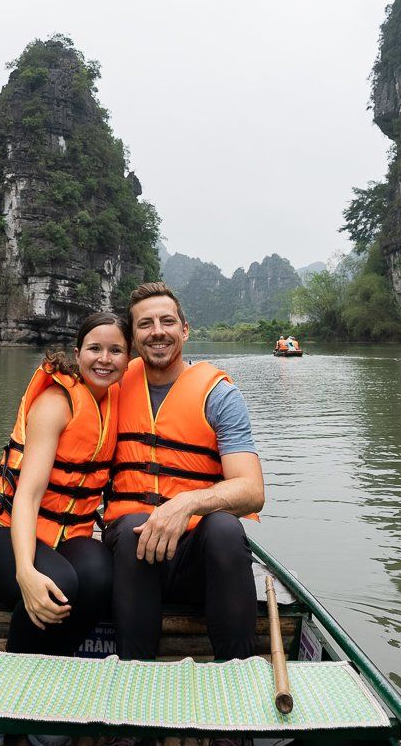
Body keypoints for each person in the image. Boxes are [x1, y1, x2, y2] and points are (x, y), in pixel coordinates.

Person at [103, 282, 266, 662]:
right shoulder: (110, 385)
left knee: (225, 529)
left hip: (197, 561)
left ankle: (237, 671)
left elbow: (252, 490)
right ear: (132, 337)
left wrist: (187, 504)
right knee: (131, 528)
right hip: (130, 556)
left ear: (185, 329)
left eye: (167, 321)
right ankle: (136, 675)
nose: (157, 331)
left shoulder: (219, 395)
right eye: (145, 324)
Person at [0, 312, 129, 655]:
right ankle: (19, 669)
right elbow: (27, 496)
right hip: (6, 538)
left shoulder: (116, 401)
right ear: (78, 352)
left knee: (102, 577)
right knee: (59, 583)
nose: (104, 359)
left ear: (128, 358)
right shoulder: (56, 403)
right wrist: (25, 571)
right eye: (94, 348)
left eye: (116, 350)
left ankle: (56, 661)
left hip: (65, 537)